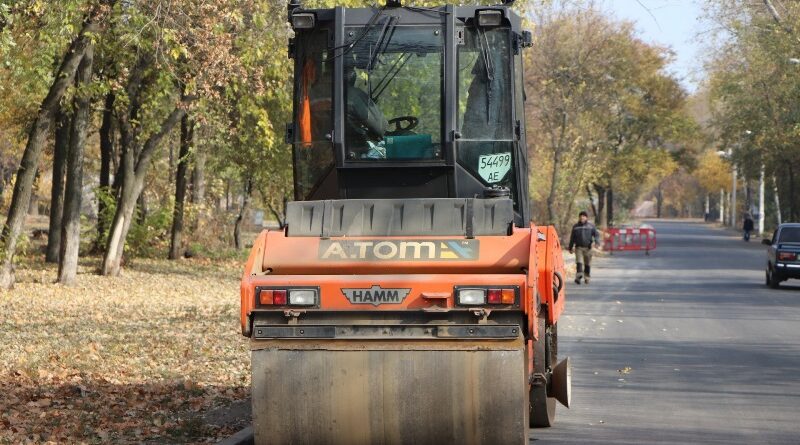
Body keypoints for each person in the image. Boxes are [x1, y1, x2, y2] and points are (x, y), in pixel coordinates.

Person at [568, 211, 600, 285]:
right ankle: (578, 277)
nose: (582, 217)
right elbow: (572, 238)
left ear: (586, 218)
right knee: (579, 262)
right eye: (581, 216)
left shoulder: (591, 226)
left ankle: (587, 278)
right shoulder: (575, 227)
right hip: (578, 248)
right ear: (579, 217)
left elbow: (596, 235)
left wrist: (597, 242)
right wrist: (570, 247)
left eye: (583, 216)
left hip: (588, 248)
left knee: (587, 264)